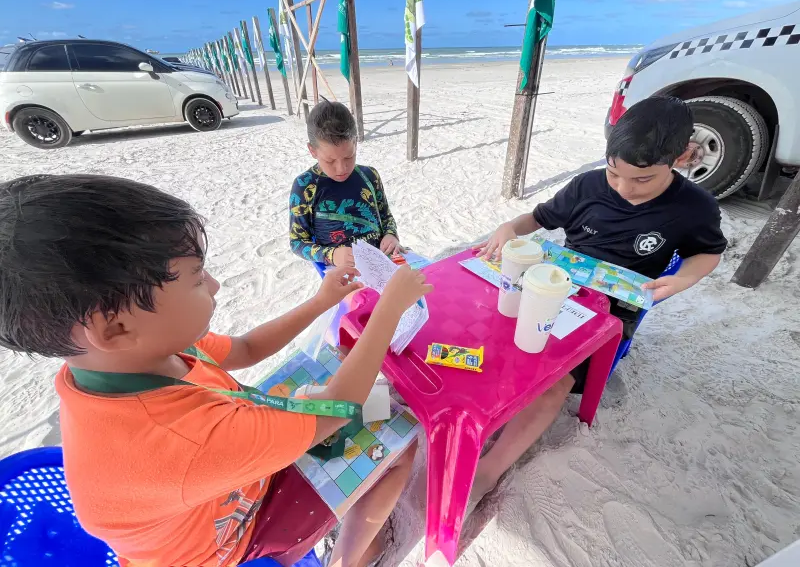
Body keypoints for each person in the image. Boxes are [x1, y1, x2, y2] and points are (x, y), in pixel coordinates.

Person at [0, 174, 432, 567]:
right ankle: (348, 560)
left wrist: (321, 301)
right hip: (233, 538)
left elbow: (245, 349)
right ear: (114, 328)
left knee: (359, 391)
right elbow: (339, 407)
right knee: (400, 439)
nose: (214, 285)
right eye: (195, 278)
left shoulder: (136, 355)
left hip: (214, 480)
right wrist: (390, 308)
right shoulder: (180, 438)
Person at [471, 96, 728, 503]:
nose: (624, 188)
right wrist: (509, 227)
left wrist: (682, 279)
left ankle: (488, 472)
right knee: (492, 323)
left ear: (680, 157)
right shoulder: (587, 186)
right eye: (614, 173)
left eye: (642, 179)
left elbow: (708, 252)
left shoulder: (694, 207)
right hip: (558, 284)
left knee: (555, 381)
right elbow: (537, 219)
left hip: (611, 310)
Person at [290, 100, 400, 268]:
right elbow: (297, 242)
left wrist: (391, 234)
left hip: (382, 262)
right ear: (312, 151)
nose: (341, 168)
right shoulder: (305, 186)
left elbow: (386, 217)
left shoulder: (370, 176)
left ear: (355, 143)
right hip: (340, 271)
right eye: (330, 161)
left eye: (349, 156)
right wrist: (331, 255)